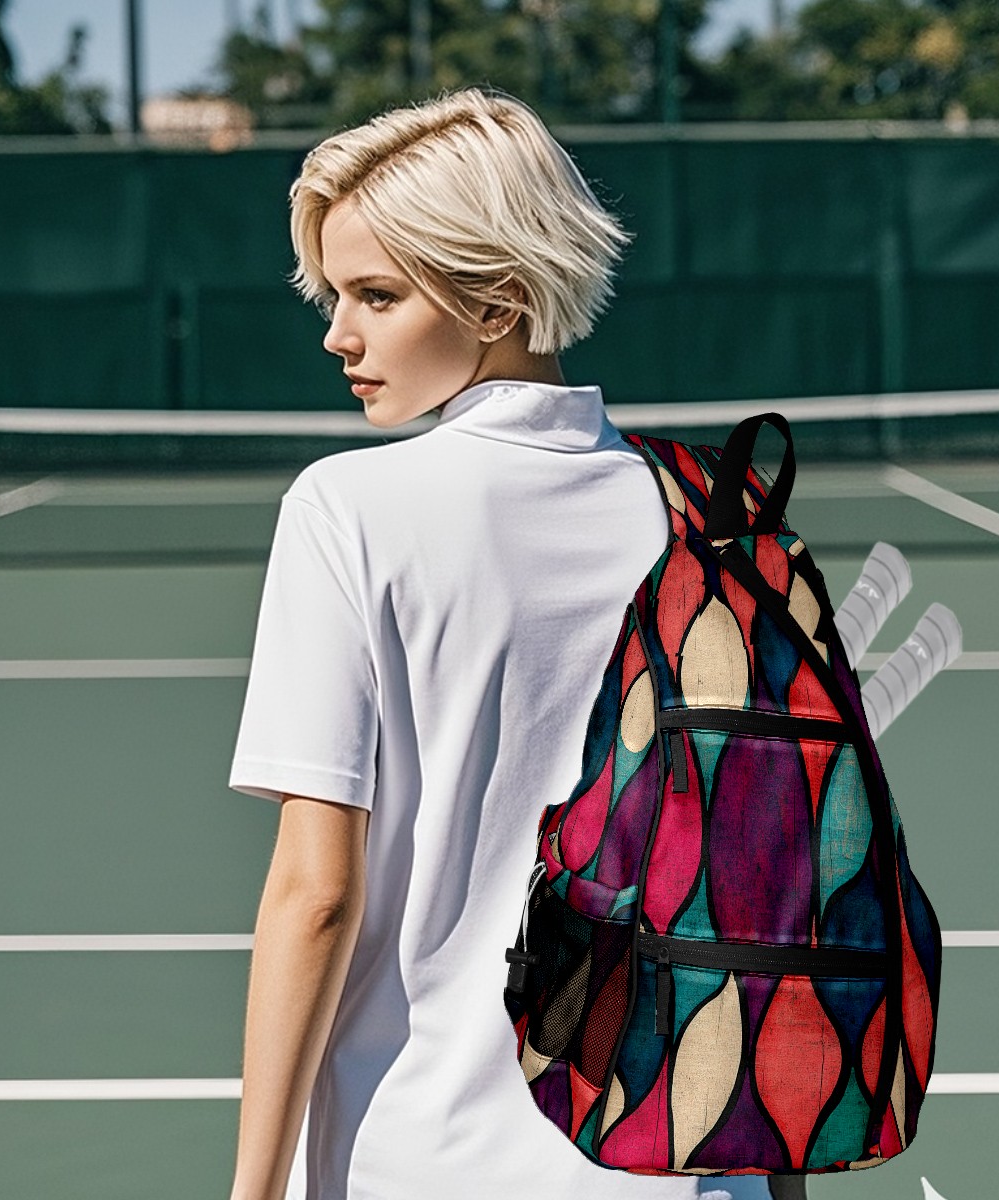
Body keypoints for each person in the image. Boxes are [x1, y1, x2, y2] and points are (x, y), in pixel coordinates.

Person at [226, 83, 809, 1200]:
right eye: (334, 294)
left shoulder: (345, 510)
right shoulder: (717, 515)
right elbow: (763, 888)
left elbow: (317, 897)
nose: (337, 333)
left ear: (497, 300)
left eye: (376, 294)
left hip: (422, 1162)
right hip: (686, 1163)